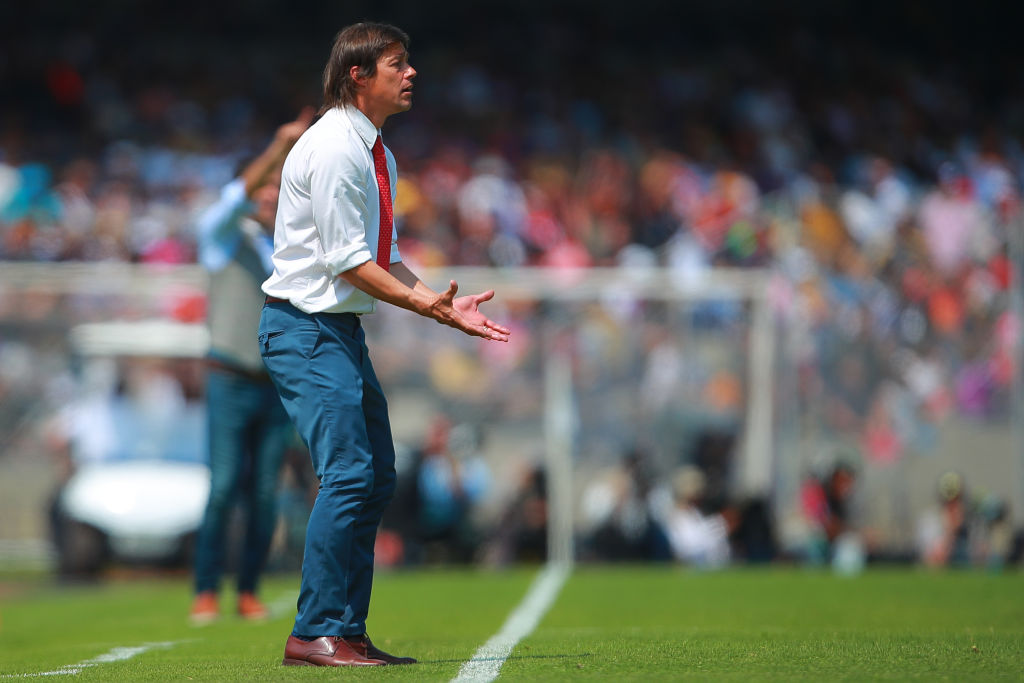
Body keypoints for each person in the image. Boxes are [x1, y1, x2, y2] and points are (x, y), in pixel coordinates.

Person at [258, 22, 510, 667]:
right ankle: (314, 631)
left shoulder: (375, 152)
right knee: (349, 475)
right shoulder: (339, 149)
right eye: (397, 64)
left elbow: (383, 260)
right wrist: (430, 306)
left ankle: (344, 629)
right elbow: (350, 266)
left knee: (376, 476)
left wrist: (445, 308)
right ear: (357, 77)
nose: (411, 73)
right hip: (306, 329)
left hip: (333, 330)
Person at [189, 108, 314, 624]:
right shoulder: (224, 240)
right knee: (222, 488)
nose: (269, 195)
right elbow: (222, 208)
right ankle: (205, 590)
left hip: (275, 386)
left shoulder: (290, 247)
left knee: (264, 493)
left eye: (277, 187)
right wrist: (278, 146)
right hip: (230, 379)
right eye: (265, 185)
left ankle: (247, 590)